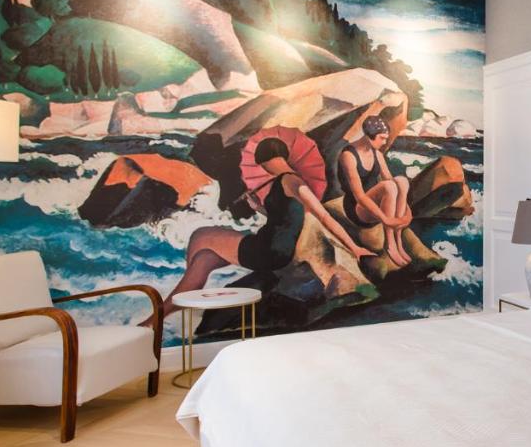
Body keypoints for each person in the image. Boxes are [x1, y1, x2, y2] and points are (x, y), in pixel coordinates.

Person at [152, 137, 373, 320]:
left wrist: (353, 247)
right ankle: (165, 312)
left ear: (266, 160)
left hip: (271, 249)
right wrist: (259, 208)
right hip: (275, 246)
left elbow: (323, 215)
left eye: (262, 163)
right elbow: (286, 218)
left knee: (201, 236)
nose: (262, 168)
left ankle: (185, 298)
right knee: (204, 259)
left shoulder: (293, 182)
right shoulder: (285, 182)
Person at [338, 115, 413, 267]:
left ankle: (398, 240)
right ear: (368, 136)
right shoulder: (348, 156)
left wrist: (407, 211)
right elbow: (360, 197)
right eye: (382, 138)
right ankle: (390, 243)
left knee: (401, 181)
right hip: (357, 208)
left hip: (375, 203)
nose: (385, 142)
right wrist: (385, 219)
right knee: (388, 186)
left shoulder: (377, 154)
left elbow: (392, 180)